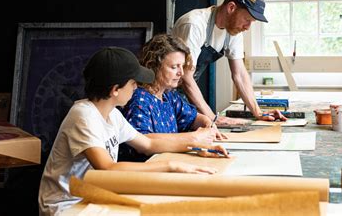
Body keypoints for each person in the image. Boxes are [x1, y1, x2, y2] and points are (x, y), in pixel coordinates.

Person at [38, 47, 228, 216]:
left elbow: (148, 144)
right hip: (67, 206)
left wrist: (195, 146)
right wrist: (171, 166)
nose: (136, 88)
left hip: (93, 197)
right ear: (115, 90)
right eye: (133, 83)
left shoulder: (112, 115)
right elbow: (107, 168)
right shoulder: (83, 115)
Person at [172, 0, 287, 125]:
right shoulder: (195, 24)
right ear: (231, 8)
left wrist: (258, 113)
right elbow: (185, 76)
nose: (248, 27)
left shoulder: (233, 30)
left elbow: (239, 74)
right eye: (247, 20)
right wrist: (213, 118)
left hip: (186, 92)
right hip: (166, 94)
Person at [120, 34, 224, 159]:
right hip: (147, 171)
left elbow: (195, 118)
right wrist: (194, 138)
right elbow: (143, 141)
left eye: (182, 66)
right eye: (174, 67)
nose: (181, 73)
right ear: (154, 66)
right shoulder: (139, 99)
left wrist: (208, 125)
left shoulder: (169, 96)